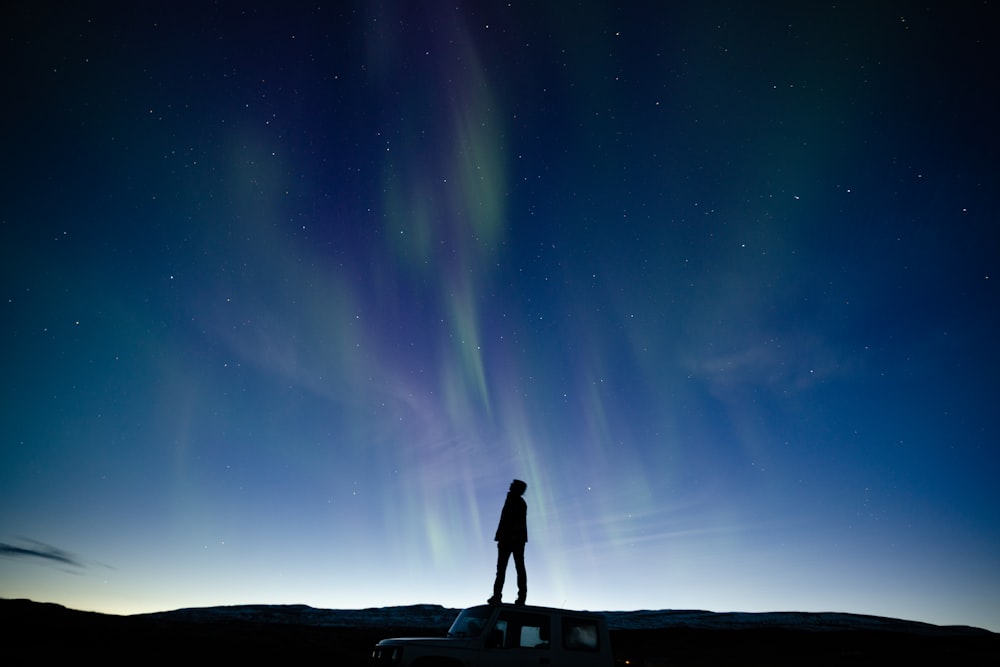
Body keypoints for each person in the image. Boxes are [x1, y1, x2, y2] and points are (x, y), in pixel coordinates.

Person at [488, 479, 528, 605]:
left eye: (513, 484)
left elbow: (516, 522)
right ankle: (497, 596)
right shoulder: (512, 500)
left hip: (513, 540)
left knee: (517, 568)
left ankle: (520, 597)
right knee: (502, 569)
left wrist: (511, 537)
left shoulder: (518, 502)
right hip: (507, 539)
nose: (510, 485)